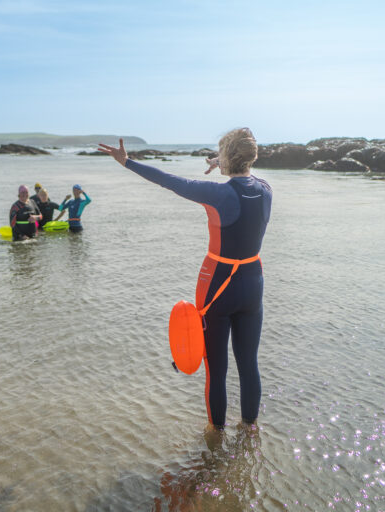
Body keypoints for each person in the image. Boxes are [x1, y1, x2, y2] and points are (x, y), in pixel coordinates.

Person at [98, 128, 272, 430]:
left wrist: (128, 162)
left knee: (216, 370)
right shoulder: (266, 188)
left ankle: (215, 441)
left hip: (219, 283)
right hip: (253, 283)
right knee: (249, 364)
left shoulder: (218, 194)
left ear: (228, 157)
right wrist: (224, 164)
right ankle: (250, 432)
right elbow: (243, 181)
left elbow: (171, 181)